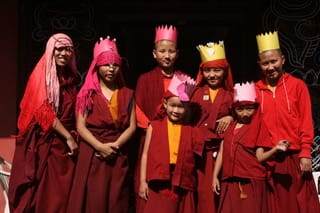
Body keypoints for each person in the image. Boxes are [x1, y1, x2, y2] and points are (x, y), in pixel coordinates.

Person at [8, 33, 79, 212]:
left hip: (66, 150)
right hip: (46, 146)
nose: (64, 53)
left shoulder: (71, 79)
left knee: (65, 197)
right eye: (59, 49)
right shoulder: (40, 77)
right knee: (45, 196)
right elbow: (43, 112)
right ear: (50, 50)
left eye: (68, 49)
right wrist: (68, 138)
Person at [66, 36, 136, 213]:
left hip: (117, 153)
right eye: (106, 65)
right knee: (94, 200)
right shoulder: (88, 94)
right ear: (97, 66)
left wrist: (115, 146)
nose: (111, 69)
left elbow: (132, 126)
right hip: (93, 154)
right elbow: (80, 126)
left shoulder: (127, 94)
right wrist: (100, 147)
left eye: (115, 65)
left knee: (116, 201)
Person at [255, 31, 320, 213]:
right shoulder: (255, 90)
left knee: (298, 206)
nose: (270, 67)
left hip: (294, 156)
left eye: (273, 61)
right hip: (268, 157)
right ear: (259, 65)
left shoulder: (297, 86)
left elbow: (306, 120)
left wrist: (305, 152)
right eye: (265, 63)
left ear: (283, 60)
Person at [134, 24, 190, 212]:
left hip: (178, 141)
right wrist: (155, 129)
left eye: (171, 51)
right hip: (152, 141)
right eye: (162, 51)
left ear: (177, 53)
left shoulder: (185, 79)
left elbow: (190, 112)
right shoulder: (145, 79)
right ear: (154, 53)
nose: (167, 55)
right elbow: (137, 109)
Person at [212, 81, 290, 213]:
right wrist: (215, 176)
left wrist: (275, 149)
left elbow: (260, 157)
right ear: (234, 110)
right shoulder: (230, 127)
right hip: (229, 181)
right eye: (240, 109)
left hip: (250, 181)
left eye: (249, 108)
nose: (245, 113)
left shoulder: (258, 126)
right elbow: (222, 152)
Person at [139, 73, 205, 213]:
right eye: (172, 105)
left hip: (182, 182)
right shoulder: (154, 126)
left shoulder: (192, 131)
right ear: (165, 104)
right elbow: (145, 154)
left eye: (181, 107)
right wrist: (142, 181)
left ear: (187, 108)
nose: (176, 110)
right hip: (159, 182)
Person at [191, 41, 234, 213]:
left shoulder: (232, 95)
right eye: (207, 70)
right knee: (202, 194)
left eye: (217, 70)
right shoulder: (194, 93)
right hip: (199, 154)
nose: (212, 75)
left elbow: (243, 119)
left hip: (223, 153)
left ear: (225, 71)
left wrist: (231, 117)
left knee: (222, 194)